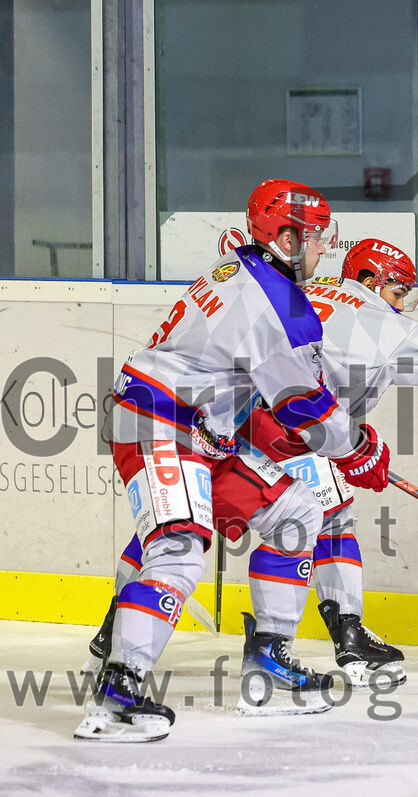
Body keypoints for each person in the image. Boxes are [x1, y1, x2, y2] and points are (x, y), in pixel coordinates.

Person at [76, 180, 391, 742]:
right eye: (317, 236)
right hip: (160, 425)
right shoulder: (278, 304)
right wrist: (360, 449)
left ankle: (268, 665)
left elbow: (270, 392)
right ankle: (117, 693)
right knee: (179, 546)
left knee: (296, 511)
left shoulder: (240, 266)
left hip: (201, 432)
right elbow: (303, 405)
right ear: (288, 238)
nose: (325, 249)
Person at [243, 238, 418, 688]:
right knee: (332, 519)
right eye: (398, 291)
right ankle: (341, 638)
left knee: (180, 520)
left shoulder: (306, 289)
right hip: (297, 427)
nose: (402, 303)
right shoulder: (384, 322)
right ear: (371, 280)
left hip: (230, 415)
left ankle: (116, 630)